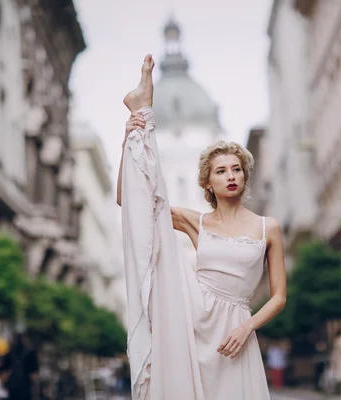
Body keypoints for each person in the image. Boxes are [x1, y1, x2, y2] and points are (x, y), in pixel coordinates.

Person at [117, 55, 287, 400]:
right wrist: (128, 140)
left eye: (237, 169)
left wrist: (247, 327)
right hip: (192, 323)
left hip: (236, 332)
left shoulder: (268, 227)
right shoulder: (195, 221)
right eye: (221, 171)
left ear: (245, 176)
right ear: (208, 183)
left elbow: (279, 296)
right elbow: (128, 199)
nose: (231, 176)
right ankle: (142, 109)